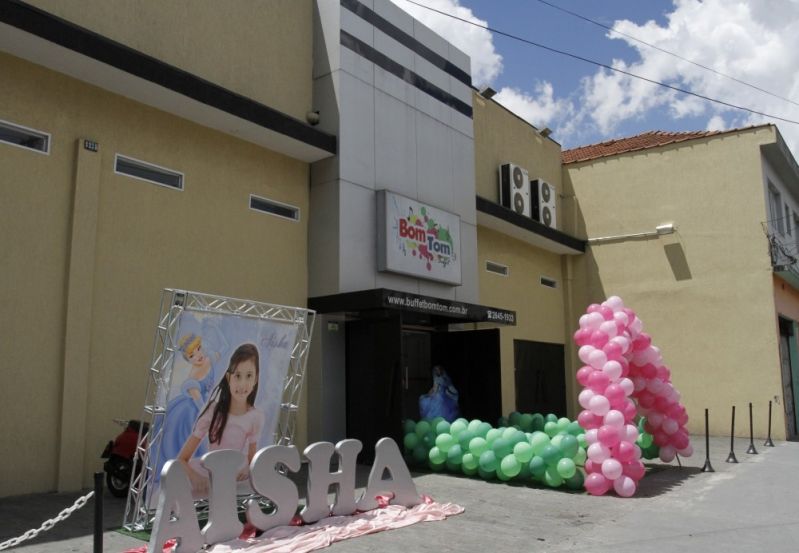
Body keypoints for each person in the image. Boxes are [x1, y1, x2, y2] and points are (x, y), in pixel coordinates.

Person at [177, 343, 265, 493]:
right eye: (237, 376)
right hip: (210, 473)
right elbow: (181, 460)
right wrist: (196, 478)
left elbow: (252, 460)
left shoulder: (256, 417)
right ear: (228, 377)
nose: (242, 384)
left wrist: (247, 469)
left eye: (249, 376)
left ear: (256, 379)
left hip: (235, 478)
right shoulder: (213, 411)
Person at [153, 333, 220, 480]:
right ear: (188, 360)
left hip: (205, 406)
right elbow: (201, 406)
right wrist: (210, 416)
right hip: (193, 411)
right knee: (190, 441)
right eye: (191, 355)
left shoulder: (208, 360)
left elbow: (221, 353)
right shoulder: (193, 379)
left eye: (198, 349)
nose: (198, 355)